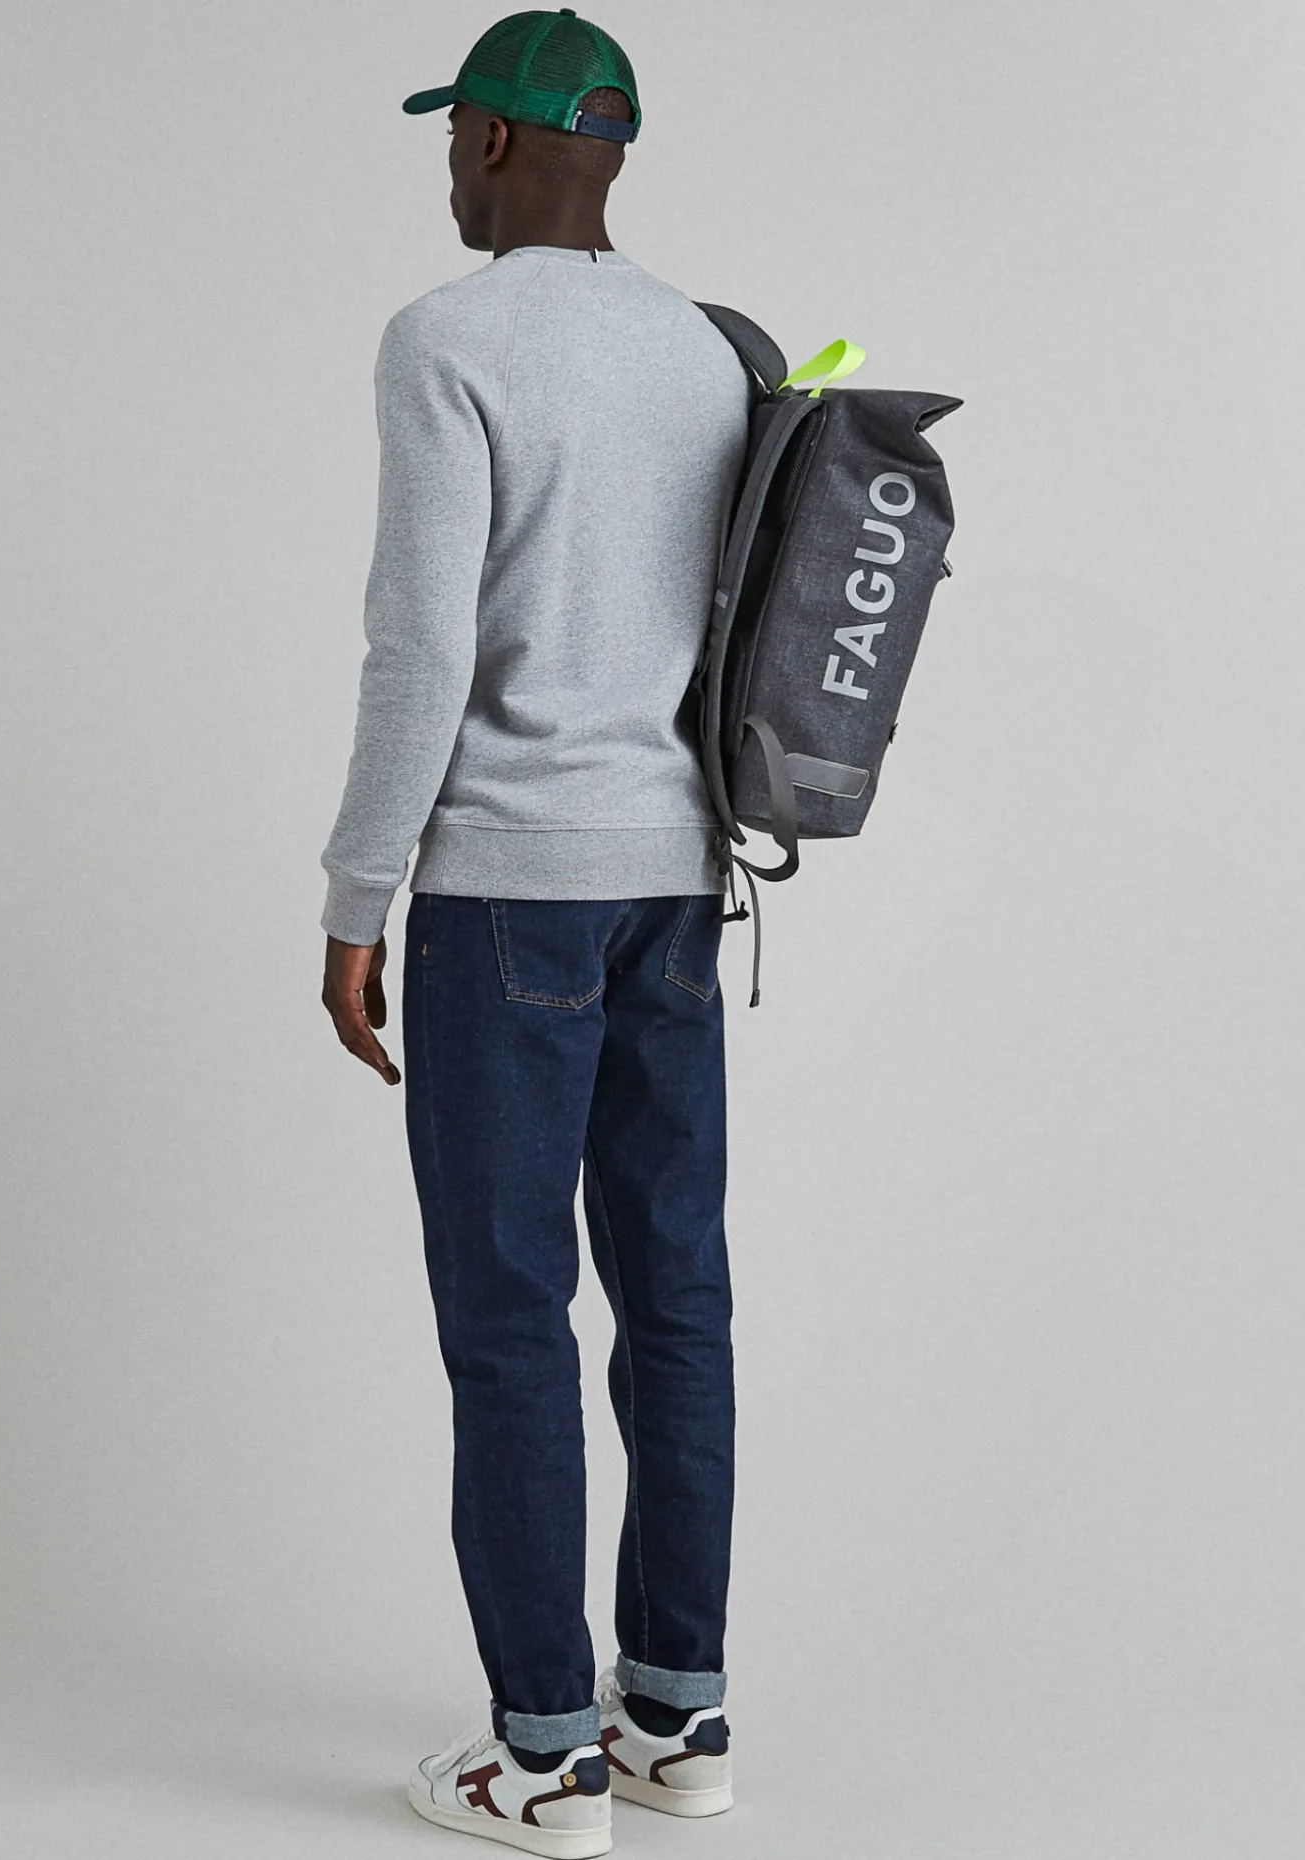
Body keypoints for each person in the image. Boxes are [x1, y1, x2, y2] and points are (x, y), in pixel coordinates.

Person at [317, 12, 749, 1853]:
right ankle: (678, 1717)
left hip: (506, 892)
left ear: (493, 141)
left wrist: (356, 897)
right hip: (681, 880)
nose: (445, 169)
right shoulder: (707, 350)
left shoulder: (448, 339)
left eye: (452, 139)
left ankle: (545, 1754)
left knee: (509, 1322)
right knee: (678, 1301)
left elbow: (421, 649)